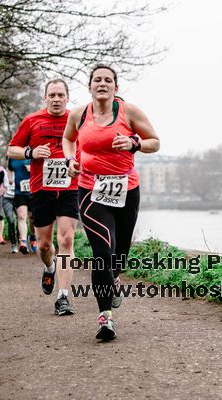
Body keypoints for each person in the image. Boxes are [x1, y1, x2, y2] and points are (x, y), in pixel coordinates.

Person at [62, 65, 160, 341]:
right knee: (102, 252)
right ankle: (105, 317)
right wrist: (70, 160)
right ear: (90, 86)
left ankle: (114, 277)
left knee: (119, 256)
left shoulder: (129, 112)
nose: (102, 83)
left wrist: (133, 143)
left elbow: (155, 142)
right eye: (97, 80)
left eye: (108, 80)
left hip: (127, 190)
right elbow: (68, 139)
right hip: (90, 190)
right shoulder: (79, 114)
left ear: (116, 88)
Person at [7, 78, 79, 316]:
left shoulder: (76, 119)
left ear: (67, 97)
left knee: (66, 240)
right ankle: (49, 267)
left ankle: (63, 296)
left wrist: (78, 165)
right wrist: (31, 152)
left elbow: (87, 148)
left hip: (70, 187)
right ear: (45, 97)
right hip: (41, 189)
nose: (56, 99)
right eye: (52, 95)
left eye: (60, 95)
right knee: (45, 245)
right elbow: (12, 149)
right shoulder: (32, 120)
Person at [8, 157, 36, 254]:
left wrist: (33, 169)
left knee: (33, 218)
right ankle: (23, 242)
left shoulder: (33, 154)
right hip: (20, 192)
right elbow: (10, 168)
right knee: (21, 216)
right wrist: (10, 178)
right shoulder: (13, 157)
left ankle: (33, 237)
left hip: (33, 191)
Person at [2, 162, 19, 253]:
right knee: (11, 220)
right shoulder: (3, 172)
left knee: (21, 220)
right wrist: (0, 189)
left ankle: (21, 240)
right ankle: (13, 244)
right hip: (7, 199)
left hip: (18, 198)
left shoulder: (20, 170)